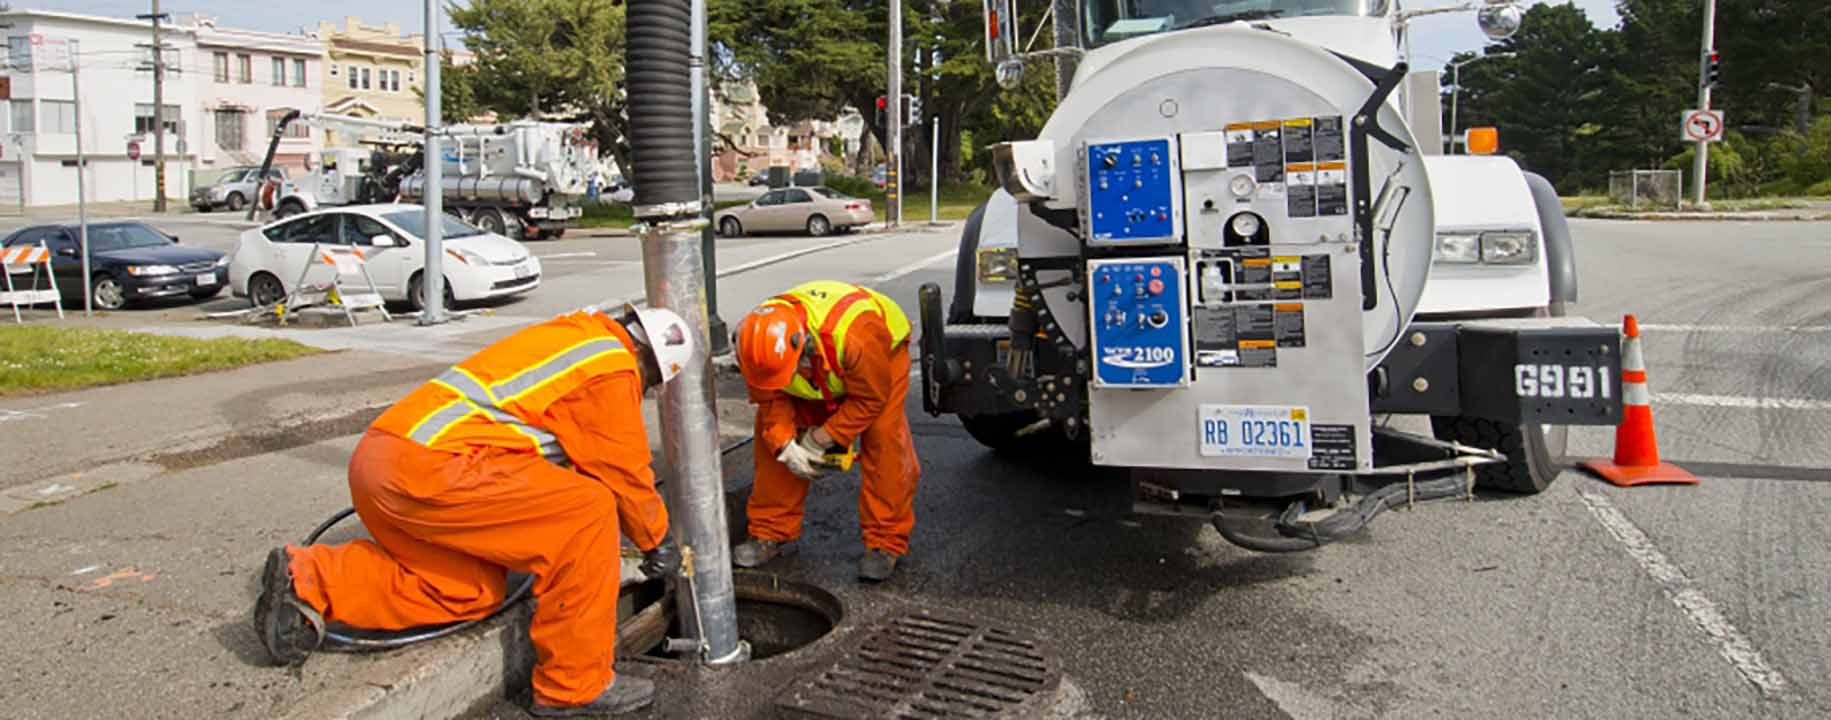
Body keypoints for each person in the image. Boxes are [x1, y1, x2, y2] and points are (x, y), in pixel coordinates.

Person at [252, 303, 696, 717]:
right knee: (588, 513)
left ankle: (308, 581)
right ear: (650, 368)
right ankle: (572, 686)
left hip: (384, 465)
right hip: (435, 470)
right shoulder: (609, 366)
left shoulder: (574, 339)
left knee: (468, 591)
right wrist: (656, 540)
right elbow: (624, 471)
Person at [730, 280, 919, 582]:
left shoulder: (856, 336)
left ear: (803, 348)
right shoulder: (756, 344)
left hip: (882, 359)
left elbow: (869, 400)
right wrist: (785, 446)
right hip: (822, 366)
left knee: (885, 442)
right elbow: (770, 399)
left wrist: (820, 440)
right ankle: (769, 532)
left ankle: (886, 543)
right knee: (770, 447)